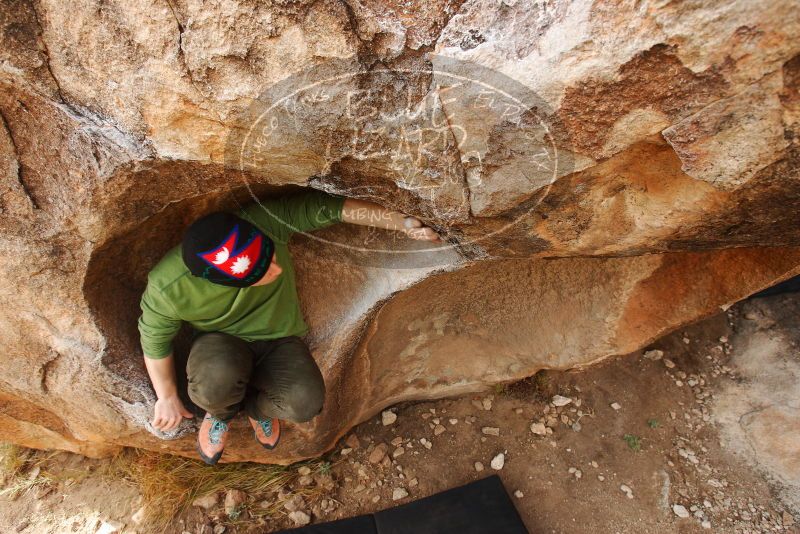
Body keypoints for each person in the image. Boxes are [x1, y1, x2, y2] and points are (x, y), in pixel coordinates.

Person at [138, 189, 441, 465]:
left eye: (269, 255)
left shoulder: (261, 222)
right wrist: (166, 396)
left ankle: (257, 411)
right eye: (260, 273)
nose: (277, 268)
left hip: (277, 336)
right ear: (221, 282)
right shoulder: (168, 286)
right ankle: (221, 414)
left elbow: (326, 208)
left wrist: (402, 223)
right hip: (219, 341)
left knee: (305, 402)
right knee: (214, 382)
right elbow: (154, 339)